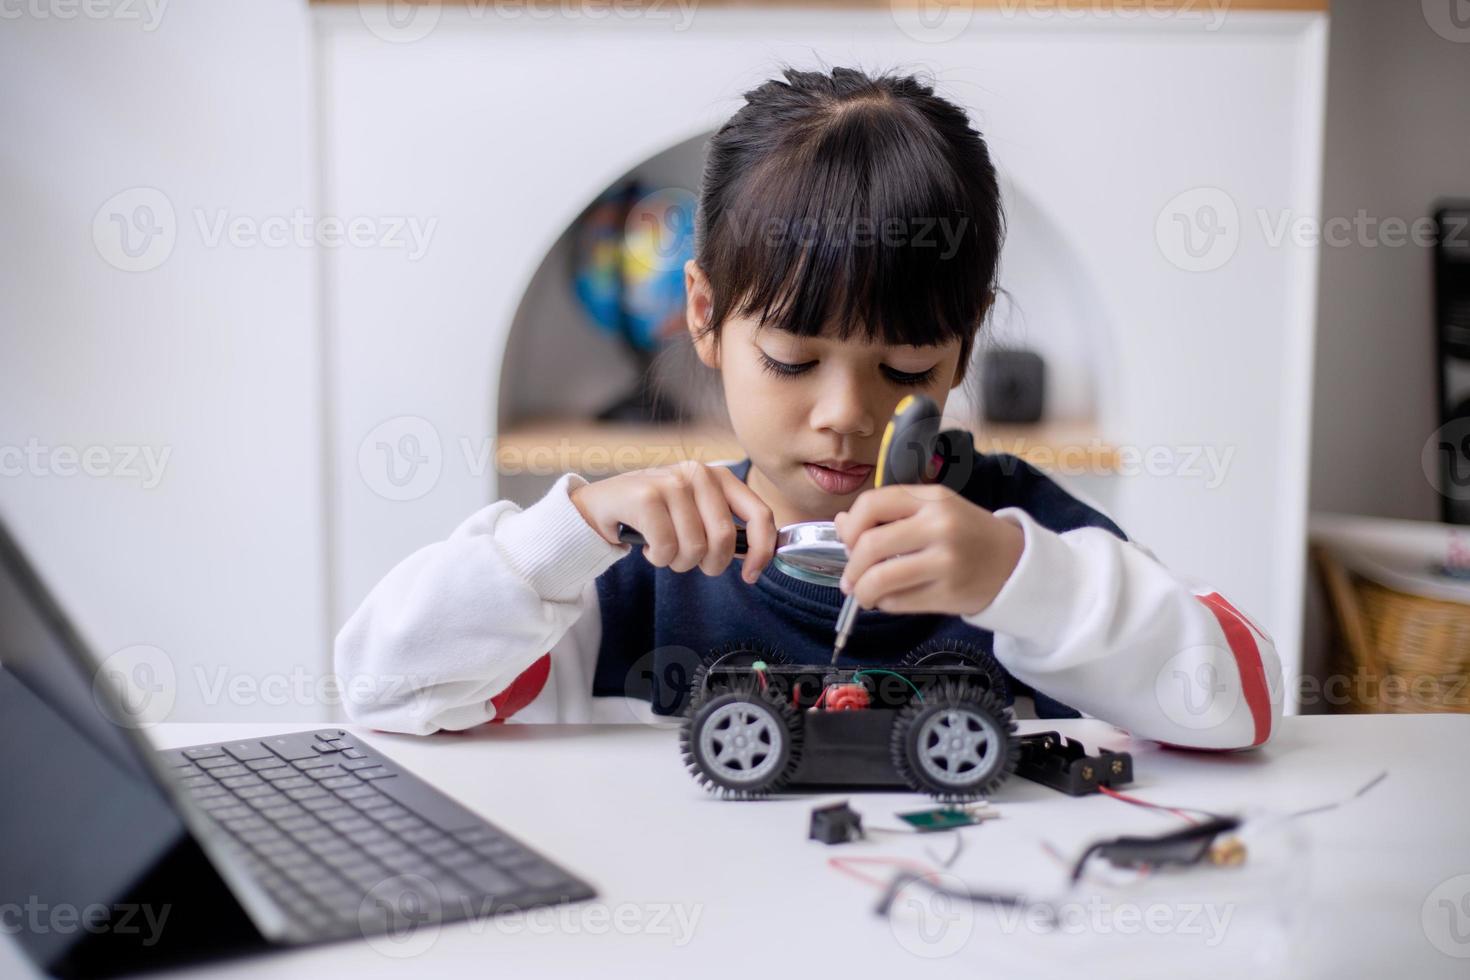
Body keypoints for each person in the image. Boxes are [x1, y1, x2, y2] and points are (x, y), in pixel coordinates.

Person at [336, 65, 1280, 750]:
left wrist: (1016, 580)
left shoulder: (1019, 538)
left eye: (906, 367)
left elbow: (1245, 697)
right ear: (703, 317)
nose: (846, 415)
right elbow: (381, 686)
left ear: (965, 343)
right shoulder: (641, 569)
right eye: (792, 359)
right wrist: (569, 533)